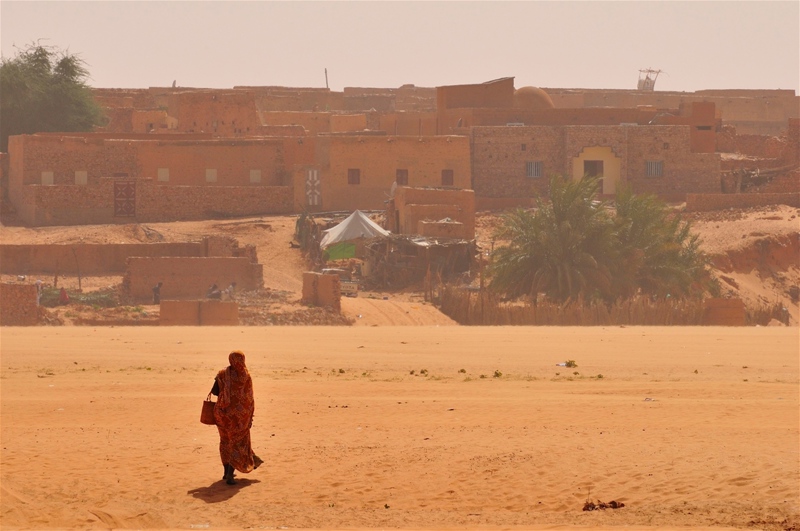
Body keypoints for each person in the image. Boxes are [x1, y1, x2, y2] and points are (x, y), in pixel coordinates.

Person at [210, 351, 263, 485]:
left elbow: (215, 392)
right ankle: (230, 475)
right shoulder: (246, 376)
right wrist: (249, 415)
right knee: (237, 442)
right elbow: (250, 397)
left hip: (222, 414)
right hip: (239, 417)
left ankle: (225, 472)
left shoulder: (222, 374)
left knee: (225, 441)